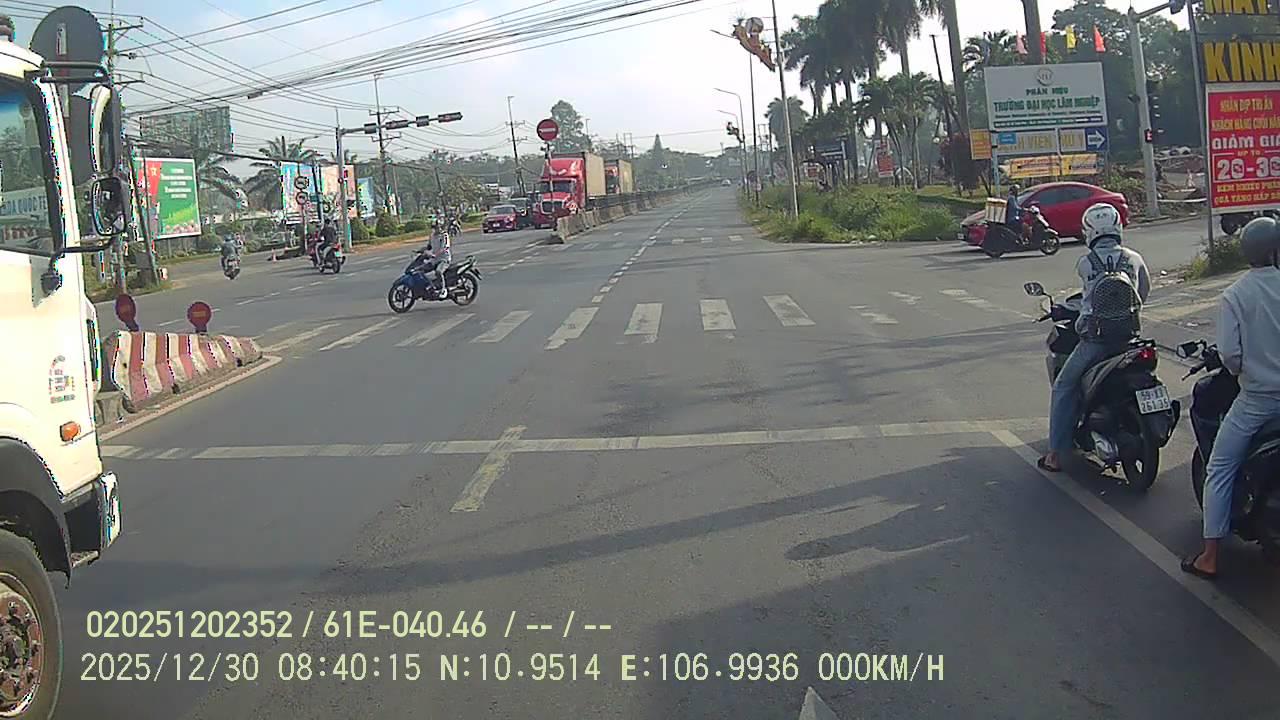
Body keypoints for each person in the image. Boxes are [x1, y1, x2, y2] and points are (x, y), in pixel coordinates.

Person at [1183, 217, 1280, 580]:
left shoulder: (1236, 295)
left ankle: (1209, 557)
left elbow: (1230, 356)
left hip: (1257, 401)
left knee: (1220, 468)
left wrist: (1245, 369)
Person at [1038, 203, 1151, 473]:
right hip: (1130, 337)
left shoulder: (1086, 263)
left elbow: (1087, 300)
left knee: (1064, 386)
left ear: (1088, 231)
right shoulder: (1134, 258)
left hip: (1096, 341)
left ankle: (1055, 454)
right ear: (1117, 226)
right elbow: (1143, 292)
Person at [421, 218, 453, 298]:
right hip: (434, 260)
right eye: (434, 227)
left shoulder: (444, 235)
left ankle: (443, 289)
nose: (436, 229)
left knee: (438, 271)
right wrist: (421, 251)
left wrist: (435, 254)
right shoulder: (432, 236)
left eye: (438, 227)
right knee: (421, 270)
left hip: (444, 259)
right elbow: (429, 246)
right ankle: (431, 287)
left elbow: (445, 248)